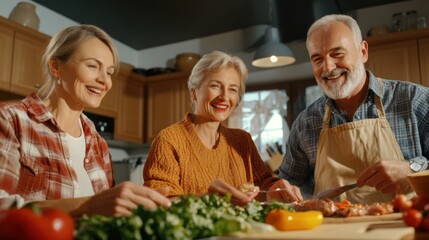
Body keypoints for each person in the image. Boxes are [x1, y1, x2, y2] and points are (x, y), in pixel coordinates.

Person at [0, 25, 171, 217]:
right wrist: (87, 206)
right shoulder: (11, 119)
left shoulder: (98, 143)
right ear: (56, 67)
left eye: (109, 72)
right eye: (92, 66)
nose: (105, 81)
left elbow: (107, 214)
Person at [277, 14, 429, 203]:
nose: (328, 66)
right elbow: (289, 187)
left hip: (405, 230)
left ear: (363, 51)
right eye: (317, 59)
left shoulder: (414, 100)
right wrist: (282, 190)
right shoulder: (305, 123)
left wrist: (412, 169)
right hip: (333, 232)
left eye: (337, 54)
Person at [143, 50, 301, 205]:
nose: (224, 97)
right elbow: (159, 201)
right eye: (215, 86)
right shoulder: (169, 140)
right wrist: (211, 199)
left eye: (233, 89)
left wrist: (276, 189)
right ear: (194, 92)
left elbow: (263, 184)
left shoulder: (242, 140)